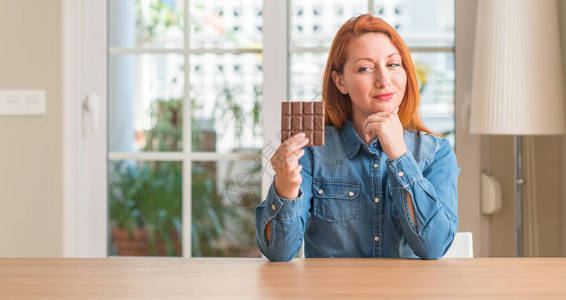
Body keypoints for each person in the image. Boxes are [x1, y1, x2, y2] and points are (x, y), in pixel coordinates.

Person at [255, 14, 460, 261]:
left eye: (393, 65)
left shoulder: (437, 152)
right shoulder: (311, 151)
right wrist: (286, 186)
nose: (384, 80)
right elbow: (278, 253)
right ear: (340, 81)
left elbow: (434, 247)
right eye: (365, 68)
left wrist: (399, 155)